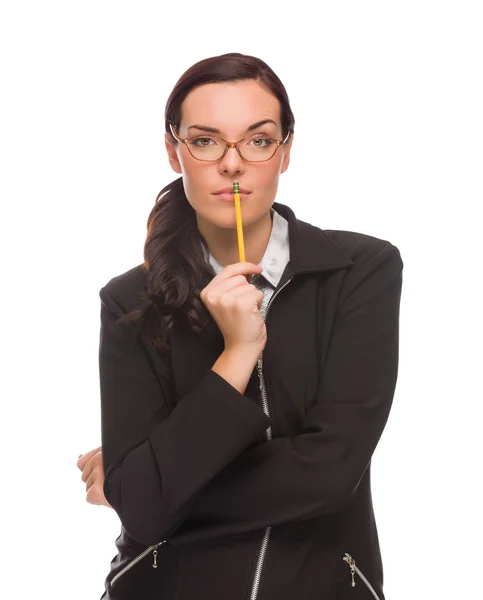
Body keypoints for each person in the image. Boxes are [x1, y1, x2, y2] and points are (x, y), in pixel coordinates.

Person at [78, 52, 403, 600]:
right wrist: (236, 353)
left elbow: (331, 472)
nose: (232, 165)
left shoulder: (361, 270)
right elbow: (143, 507)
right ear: (173, 151)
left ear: (286, 150)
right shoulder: (129, 299)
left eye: (258, 140)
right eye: (205, 141)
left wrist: (146, 486)